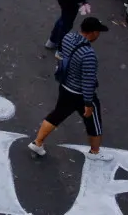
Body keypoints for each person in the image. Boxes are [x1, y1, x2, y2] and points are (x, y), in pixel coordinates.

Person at [28, 16, 110, 161]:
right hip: (79, 94)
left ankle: (38, 142)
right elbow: (88, 82)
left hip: (65, 87)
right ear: (93, 33)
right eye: (98, 32)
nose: (98, 35)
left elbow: (59, 55)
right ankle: (95, 152)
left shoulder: (68, 37)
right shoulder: (89, 55)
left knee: (56, 115)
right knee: (94, 123)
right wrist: (88, 103)